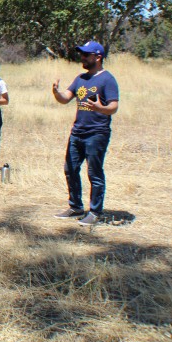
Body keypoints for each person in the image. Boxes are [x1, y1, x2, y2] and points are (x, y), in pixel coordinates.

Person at [52, 41, 119, 226]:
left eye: (86, 55)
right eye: (82, 54)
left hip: (97, 133)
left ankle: (95, 212)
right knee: (70, 169)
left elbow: (114, 106)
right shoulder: (80, 78)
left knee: (94, 172)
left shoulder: (107, 79)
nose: (82, 57)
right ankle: (76, 207)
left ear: (98, 57)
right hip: (77, 132)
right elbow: (65, 98)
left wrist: (101, 108)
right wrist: (56, 92)